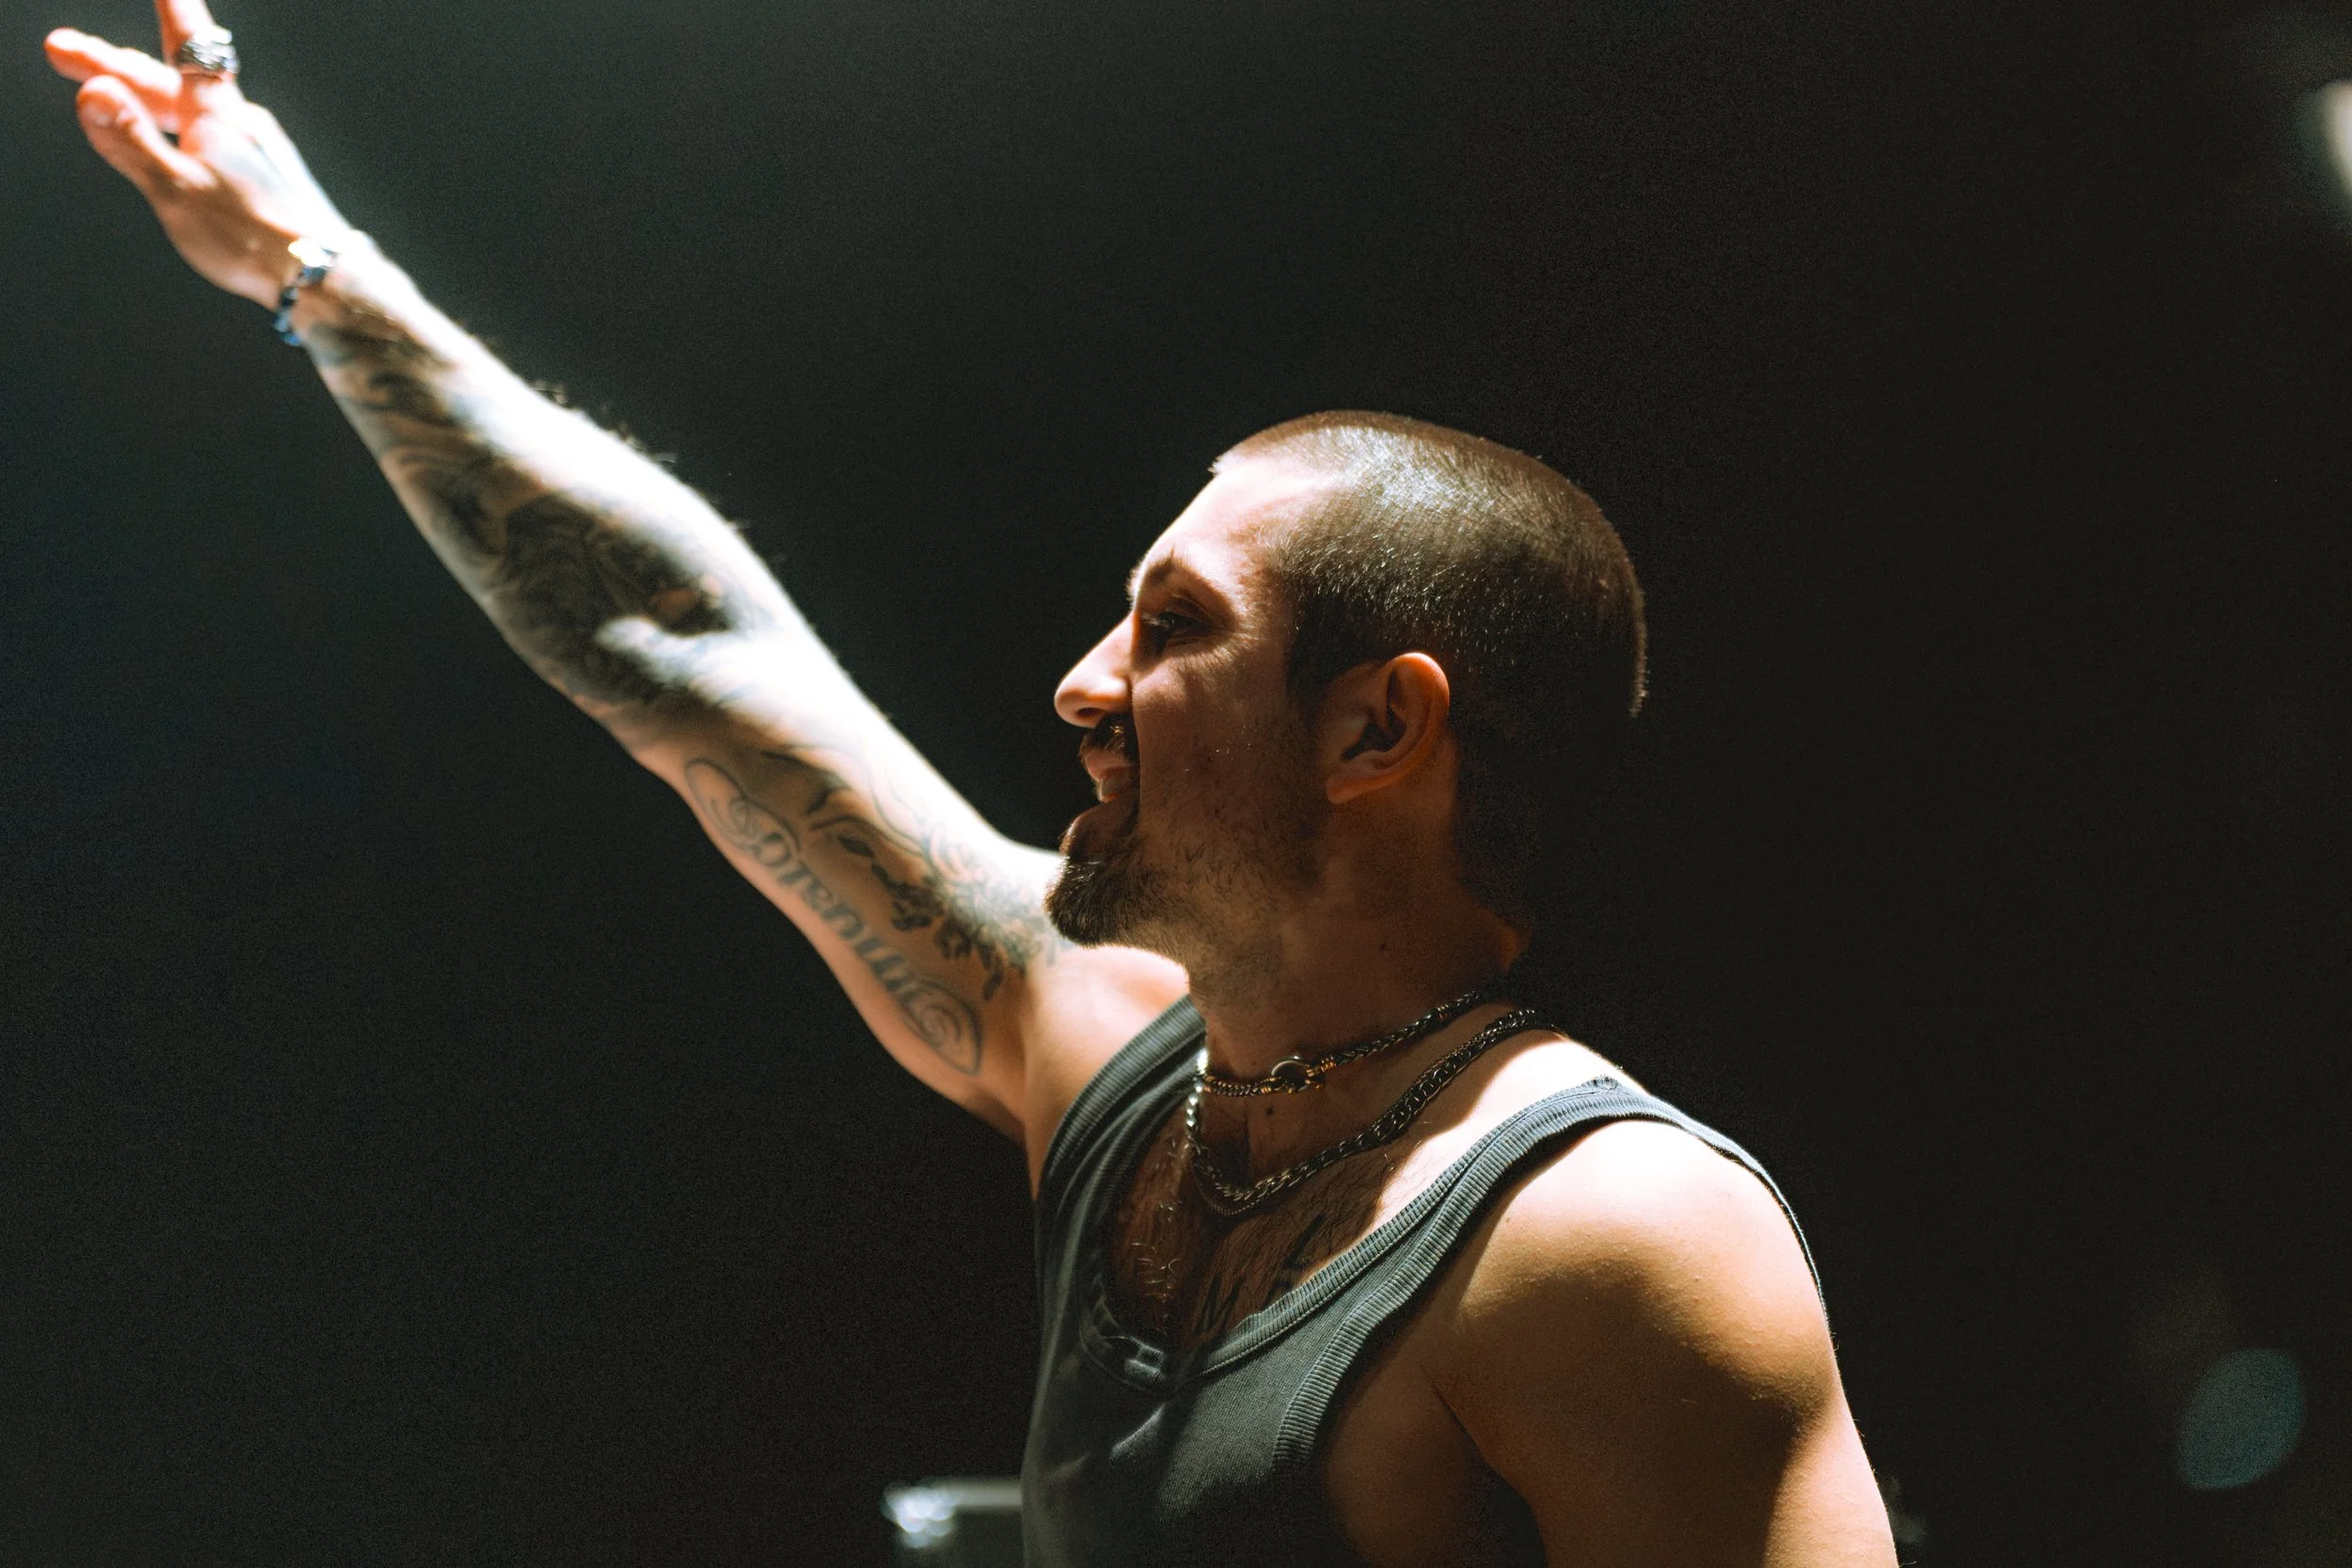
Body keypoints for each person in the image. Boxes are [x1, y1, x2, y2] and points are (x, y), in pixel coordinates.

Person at [44, 4, 1900, 1562]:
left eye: (1174, 628)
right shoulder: (1106, 1048)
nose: (1084, 687)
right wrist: (310, 267)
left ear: (1373, 731)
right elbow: (680, 642)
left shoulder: (1609, 1244)